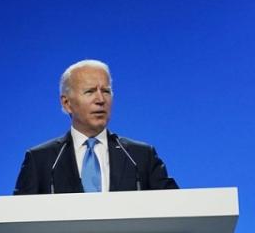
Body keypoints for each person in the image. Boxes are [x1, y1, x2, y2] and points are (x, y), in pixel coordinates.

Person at [13, 59, 177, 195]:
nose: (100, 99)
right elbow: (18, 221)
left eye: (106, 91)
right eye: (90, 91)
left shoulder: (140, 157)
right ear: (66, 103)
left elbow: (177, 208)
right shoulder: (41, 160)